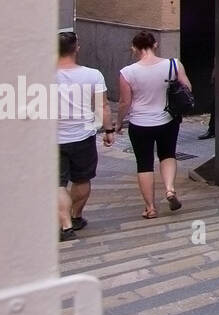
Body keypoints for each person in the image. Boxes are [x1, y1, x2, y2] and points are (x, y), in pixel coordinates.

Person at [116, 31, 191, 219]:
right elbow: (188, 88)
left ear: (134, 48)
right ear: (155, 44)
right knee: (167, 154)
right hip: (167, 119)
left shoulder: (128, 72)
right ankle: (170, 189)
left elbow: (124, 102)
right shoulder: (173, 64)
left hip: (139, 123)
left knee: (144, 164)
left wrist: (118, 123)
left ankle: (150, 207)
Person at [55, 31, 107, 242]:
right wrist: (110, 130)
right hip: (83, 136)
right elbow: (103, 106)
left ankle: (65, 225)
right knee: (82, 179)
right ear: (76, 48)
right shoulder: (93, 75)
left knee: (57, 184)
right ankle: (75, 216)